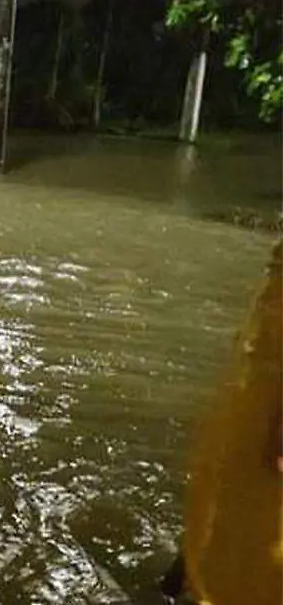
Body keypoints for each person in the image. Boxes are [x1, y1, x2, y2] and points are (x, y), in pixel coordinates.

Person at [174, 241, 282, 605]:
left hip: (270, 405)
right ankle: (193, 569)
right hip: (259, 390)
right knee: (235, 504)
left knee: (258, 523)